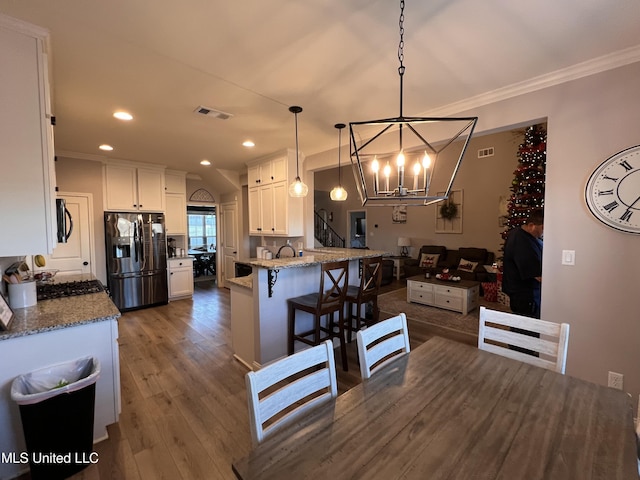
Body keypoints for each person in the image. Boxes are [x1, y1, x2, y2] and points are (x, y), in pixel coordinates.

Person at [502, 211, 544, 318]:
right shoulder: (522, 242)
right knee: (525, 328)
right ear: (531, 226)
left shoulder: (522, 234)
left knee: (521, 323)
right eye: (543, 228)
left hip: (523, 292)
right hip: (525, 295)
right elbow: (538, 276)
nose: (544, 232)